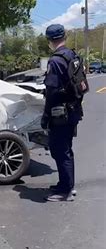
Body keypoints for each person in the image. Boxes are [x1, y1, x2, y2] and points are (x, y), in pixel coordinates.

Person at [41, 24, 86, 202]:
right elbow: (81, 85)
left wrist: (45, 117)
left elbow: (51, 92)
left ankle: (65, 191)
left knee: (59, 150)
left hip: (60, 113)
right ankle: (66, 184)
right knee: (66, 149)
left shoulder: (56, 61)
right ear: (64, 36)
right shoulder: (73, 56)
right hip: (73, 109)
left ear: (49, 40)